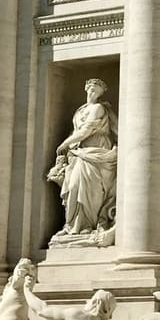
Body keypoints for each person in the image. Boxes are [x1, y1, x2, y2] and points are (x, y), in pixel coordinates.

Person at [47, 78, 118, 241]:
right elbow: (76, 131)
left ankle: (87, 225)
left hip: (97, 152)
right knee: (73, 186)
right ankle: (73, 226)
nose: (93, 93)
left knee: (91, 190)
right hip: (80, 153)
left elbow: (87, 130)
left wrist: (66, 143)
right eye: (91, 90)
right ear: (86, 90)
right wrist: (71, 145)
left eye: (97, 91)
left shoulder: (99, 108)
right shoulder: (80, 111)